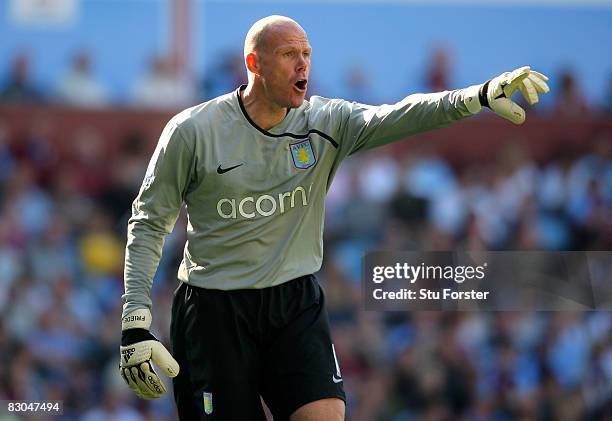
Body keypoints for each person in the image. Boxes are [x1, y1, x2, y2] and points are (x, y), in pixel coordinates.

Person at [119, 15, 550, 421]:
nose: (302, 63)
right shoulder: (192, 131)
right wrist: (135, 321)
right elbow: (149, 220)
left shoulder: (326, 122)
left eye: (306, 53)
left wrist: (477, 95)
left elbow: (402, 113)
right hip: (215, 309)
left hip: (293, 301)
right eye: (289, 54)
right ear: (255, 63)